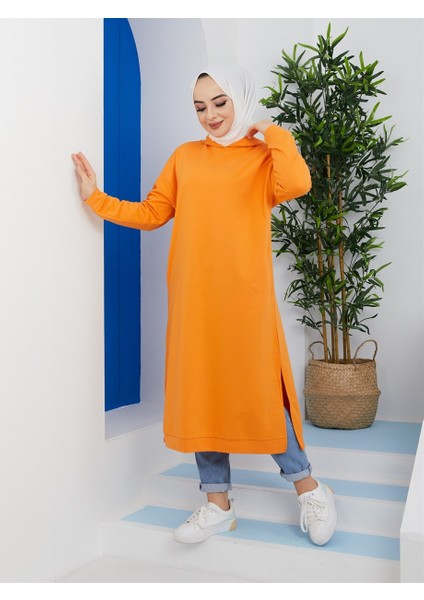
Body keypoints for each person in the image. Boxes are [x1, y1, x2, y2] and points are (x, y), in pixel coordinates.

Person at [72, 64, 337, 547]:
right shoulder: (185, 157)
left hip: (245, 297)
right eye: (200, 107)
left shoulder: (263, 157)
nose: (210, 115)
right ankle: (218, 504)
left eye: (220, 102)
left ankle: (310, 488)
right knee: (203, 392)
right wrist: (97, 199)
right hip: (194, 297)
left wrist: (269, 128)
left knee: (260, 391)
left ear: (240, 100)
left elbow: (298, 183)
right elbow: (153, 212)